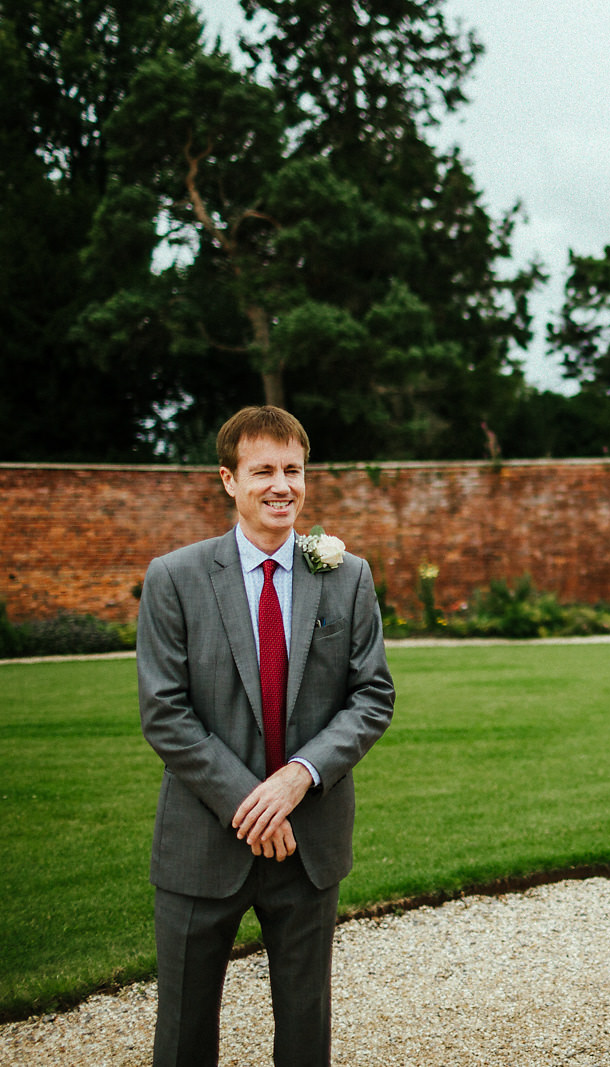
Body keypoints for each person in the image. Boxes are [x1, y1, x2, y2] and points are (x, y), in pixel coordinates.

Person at [138, 405, 394, 1066]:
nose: (281, 485)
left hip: (308, 842)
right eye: (262, 471)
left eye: (292, 470)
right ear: (228, 480)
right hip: (201, 844)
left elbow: (373, 696)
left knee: (305, 1029)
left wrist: (297, 776)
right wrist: (251, 803)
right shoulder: (175, 578)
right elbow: (165, 711)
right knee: (184, 1031)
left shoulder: (348, 576)